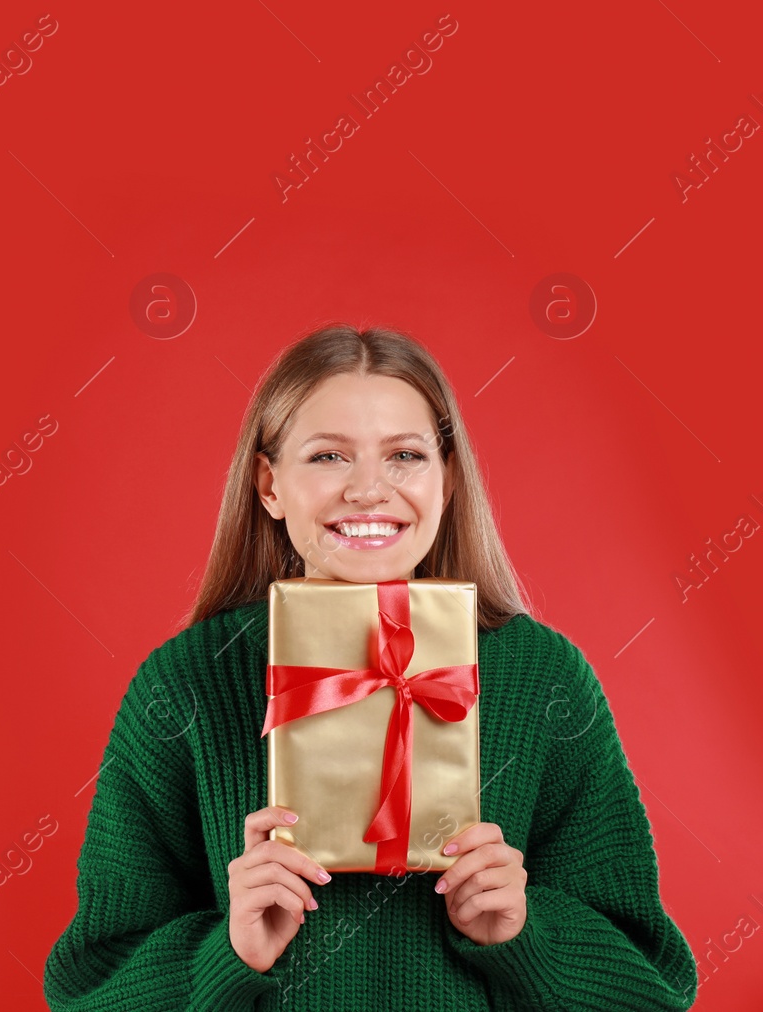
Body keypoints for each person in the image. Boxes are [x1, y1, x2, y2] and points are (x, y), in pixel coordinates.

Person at [43, 324, 700, 1009]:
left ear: (447, 479)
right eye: (328, 456)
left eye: (405, 456)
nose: (368, 490)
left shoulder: (545, 677)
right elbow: (89, 991)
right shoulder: (183, 686)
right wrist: (228, 954)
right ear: (269, 485)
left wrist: (522, 932)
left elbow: (652, 989)